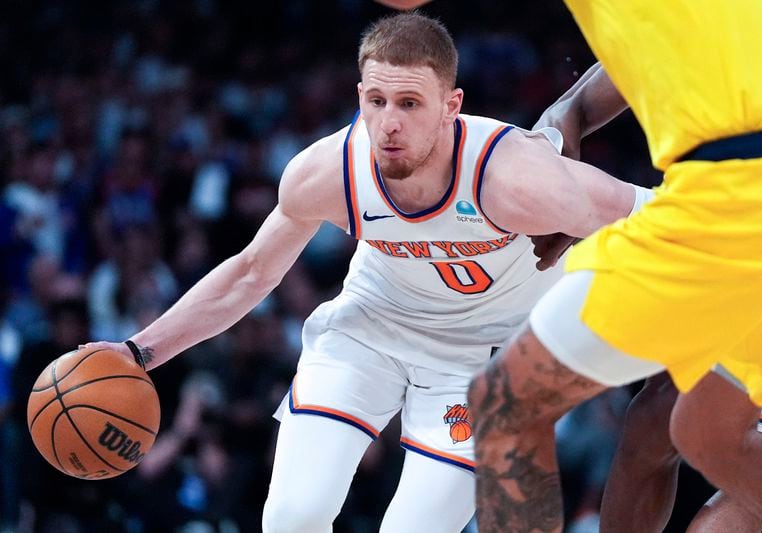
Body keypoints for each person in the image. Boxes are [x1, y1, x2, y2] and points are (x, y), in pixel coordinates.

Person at [81, 12, 653, 533]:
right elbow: (249, 274)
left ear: (452, 106)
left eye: (410, 104)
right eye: (376, 101)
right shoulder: (327, 172)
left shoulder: (517, 177)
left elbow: (665, 215)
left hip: (485, 360)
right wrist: (138, 352)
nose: (389, 124)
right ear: (359, 95)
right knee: (290, 518)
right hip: (370, 328)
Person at [469, 1, 762, 531]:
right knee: (697, 433)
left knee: (508, 403)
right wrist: (572, 106)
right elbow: (677, 37)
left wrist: (568, 127)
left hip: (746, 194)